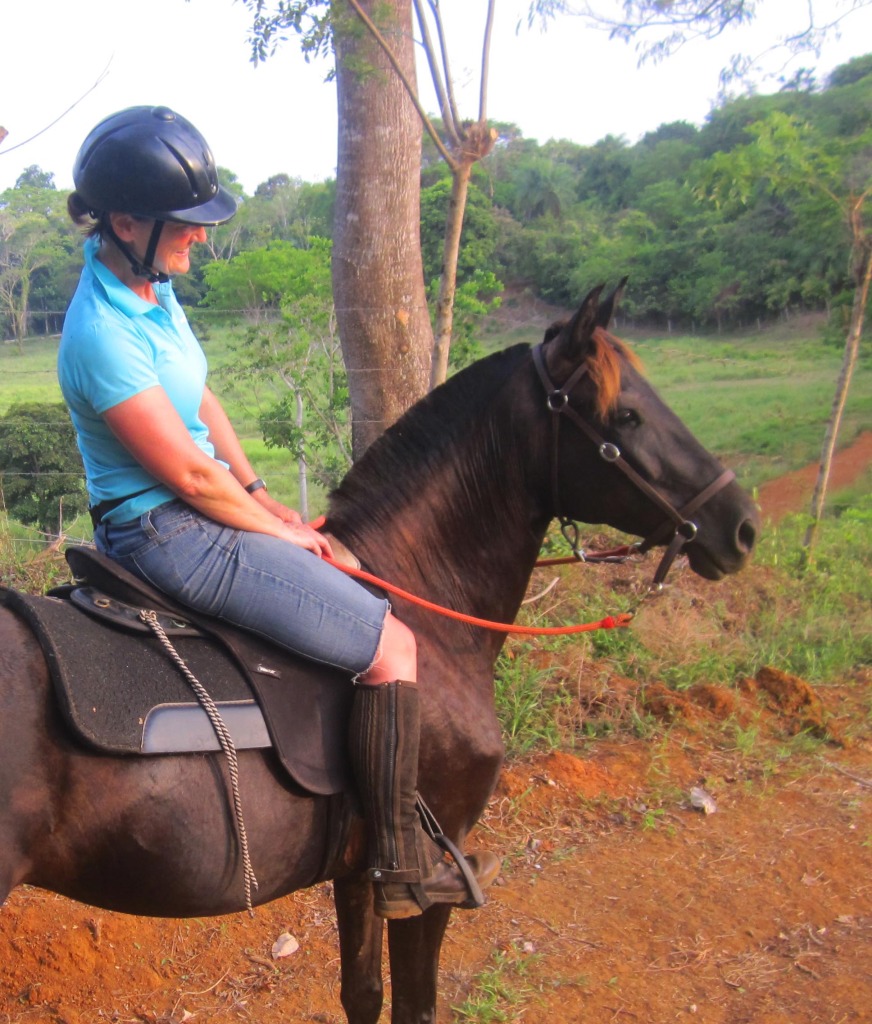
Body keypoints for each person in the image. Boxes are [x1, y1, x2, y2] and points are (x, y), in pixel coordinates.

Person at [58, 105, 498, 920]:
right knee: (392, 646)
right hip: (166, 532)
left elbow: (201, 401)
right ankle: (398, 864)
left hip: (204, 508)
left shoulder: (145, 288)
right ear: (125, 221)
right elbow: (190, 474)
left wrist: (261, 492)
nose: (198, 239)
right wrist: (291, 535)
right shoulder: (97, 333)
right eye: (182, 225)